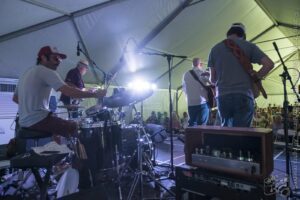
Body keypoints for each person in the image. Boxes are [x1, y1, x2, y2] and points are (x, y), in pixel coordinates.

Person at [12, 46, 106, 138]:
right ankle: (77, 153)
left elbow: (15, 98)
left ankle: (55, 150)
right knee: (75, 127)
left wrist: (29, 107)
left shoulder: (26, 72)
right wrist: (95, 94)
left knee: (57, 126)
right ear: (43, 58)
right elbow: (69, 92)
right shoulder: (46, 71)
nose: (58, 62)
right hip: (38, 120)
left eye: (60, 59)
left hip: (23, 122)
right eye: (55, 58)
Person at [207, 23, 274, 127]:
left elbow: (213, 79)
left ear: (228, 34)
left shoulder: (214, 49)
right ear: (243, 35)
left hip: (222, 97)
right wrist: (256, 77)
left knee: (227, 134)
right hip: (244, 95)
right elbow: (269, 64)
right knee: (242, 134)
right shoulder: (249, 46)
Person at [182, 58, 211, 126]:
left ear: (192, 64)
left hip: (190, 103)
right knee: (202, 125)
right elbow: (213, 82)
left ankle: (192, 137)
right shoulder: (202, 73)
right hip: (202, 103)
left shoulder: (185, 74)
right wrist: (209, 73)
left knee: (192, 125)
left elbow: (184, 89)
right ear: (200, 64)